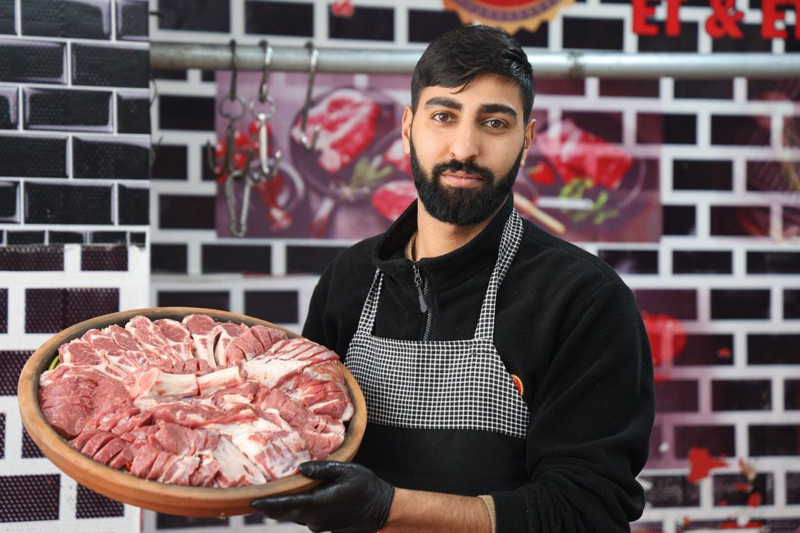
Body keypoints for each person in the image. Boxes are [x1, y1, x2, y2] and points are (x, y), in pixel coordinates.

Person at [252, 24, 655, 532]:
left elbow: (587, 509)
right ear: (407, 128)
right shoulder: (348, 281)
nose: (464, 148)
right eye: (444, 116)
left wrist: (388, 508)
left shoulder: (583, 299)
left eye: (494, 123)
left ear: (526, 139)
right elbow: (305, 442)